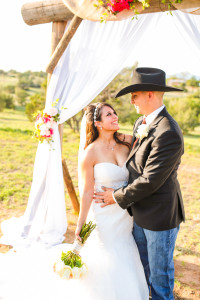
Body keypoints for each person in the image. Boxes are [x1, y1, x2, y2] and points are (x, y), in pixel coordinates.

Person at [94, 67, 185, 300]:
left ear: (150, 95)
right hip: (138, 213)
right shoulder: (140, 123)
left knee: (160, 281)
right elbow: (136, 152)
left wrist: (115, 196)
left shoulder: (168, 132)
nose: (132, 100)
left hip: (159, 218)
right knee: (142, 275)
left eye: (135, 95)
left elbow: (150, 180)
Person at [75, 102, 149, 300]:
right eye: (109, 114)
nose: (115, 116)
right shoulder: (90, 152)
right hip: (102, 214)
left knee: (125, 251)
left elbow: (151, 151)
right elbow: (87, 190)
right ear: (98, 123)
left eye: (115, 112)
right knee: (107, 255)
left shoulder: (127, 141)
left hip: (124, 212)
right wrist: (80, 223)